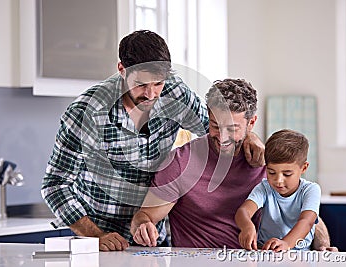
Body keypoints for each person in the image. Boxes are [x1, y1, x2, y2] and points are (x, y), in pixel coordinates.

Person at [41, 30, 264, 252]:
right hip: (101, 236)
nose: (150, 94)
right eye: (141, 84)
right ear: (122, 70)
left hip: (153, 235)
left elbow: (216, 125)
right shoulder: (87, 113)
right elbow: (55, 185)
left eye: (158, 83)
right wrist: (96, 236)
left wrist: (249, 136)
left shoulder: (175, 92)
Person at [130, 79, 337, 251]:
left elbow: (304, 212)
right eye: (214, 126)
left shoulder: (269, 163)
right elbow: (144, 215)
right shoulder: (181, 162)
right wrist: (143, 226)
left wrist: (323, 247)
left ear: (251, 123)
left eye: (232, 129)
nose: (222, 137)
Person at [235, 129, 320, 252]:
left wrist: (286, 243)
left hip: (299, 252)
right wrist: (247, 226)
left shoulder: (310, 190)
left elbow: (307, 221)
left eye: (287, 174)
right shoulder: (264, 188)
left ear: (304, 168)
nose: (278, 180)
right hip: (265, 250)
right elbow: (243, 211)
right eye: (271, 172)